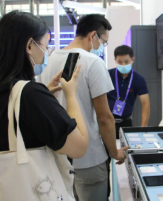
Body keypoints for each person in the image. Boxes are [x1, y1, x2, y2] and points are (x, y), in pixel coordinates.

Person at [0, 11, 89, 201]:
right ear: (29, 45)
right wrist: (71, 94)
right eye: (45, 45)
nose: (46, 52)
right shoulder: (30, 94)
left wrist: (44, 98)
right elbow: (79, 146)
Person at [37, 13, 128, 200]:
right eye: (103, 42)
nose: (102, 47)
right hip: (89, 158)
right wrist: (114, 152)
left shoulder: (48, 61)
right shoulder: (93, 62)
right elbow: (104, 117)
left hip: (58, 156)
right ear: (93, 35)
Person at [107, 46, 150, 139]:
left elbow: (145, 103)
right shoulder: (107, 75)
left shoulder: (139, 79)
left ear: (132, 59)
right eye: (119, 62)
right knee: (107, 147)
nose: (123, 64)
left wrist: (144, 127)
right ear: (115, 60)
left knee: (126, 146)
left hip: (126, 122)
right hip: (108, 121)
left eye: (126, 62)